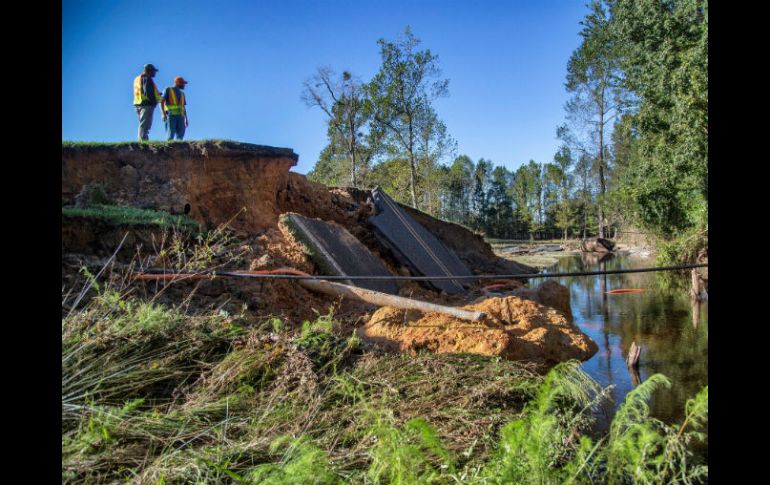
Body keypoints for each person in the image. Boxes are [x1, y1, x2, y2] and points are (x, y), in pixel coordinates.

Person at [133, 64, 162, 141]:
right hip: (146, 105)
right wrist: (154, 102)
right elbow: (148, 92)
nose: (155, 73)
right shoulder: (147, 79)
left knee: (142, 124)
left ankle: (143, 140)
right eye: (154, 71)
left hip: (138, 104)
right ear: (149, 71)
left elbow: (143, 91)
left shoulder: (138, 78)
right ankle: (143, 141)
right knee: (145, 125)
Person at [161, 76, 189, 140]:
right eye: (182, 83)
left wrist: (186, 119)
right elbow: (161, 102)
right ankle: (170, 149)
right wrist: (163, 113)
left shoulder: (182, 93)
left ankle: (179, 149)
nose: (183, 85)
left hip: (181, 117)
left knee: (180, 136)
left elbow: (183, 107)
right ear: (177, 82)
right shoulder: (168, 89)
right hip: (171, 115)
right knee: (170, 135)